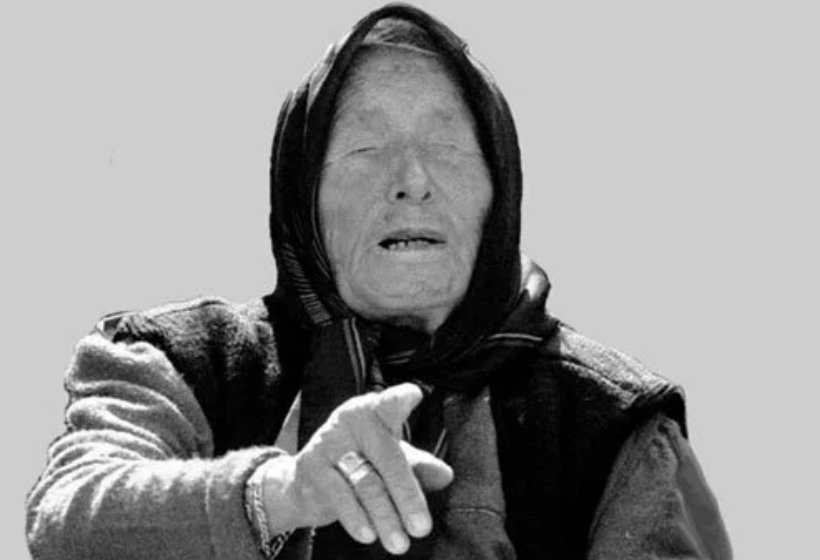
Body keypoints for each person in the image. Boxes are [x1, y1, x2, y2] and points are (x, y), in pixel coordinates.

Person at [26, 3, 732, 559]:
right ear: (301, 197)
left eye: (448, 147)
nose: (412, 181)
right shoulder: (177, 360)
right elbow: (67, 518)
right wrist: (282, 493)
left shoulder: (616, 423)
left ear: (500, 195)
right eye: (365, 148)